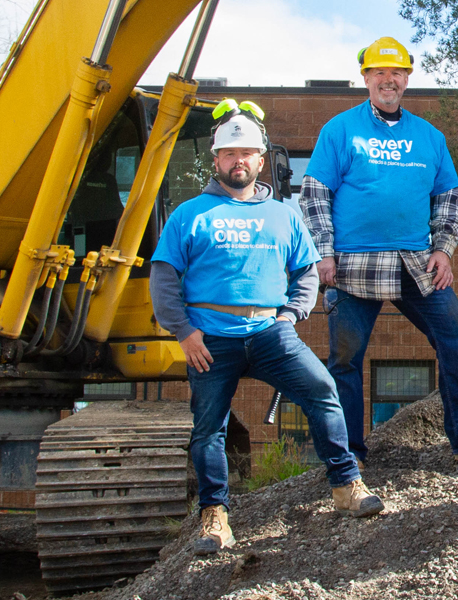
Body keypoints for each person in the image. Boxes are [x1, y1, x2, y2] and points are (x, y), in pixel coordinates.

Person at [150, 101, 385, 556]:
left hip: (269, 332)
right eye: (229, 154)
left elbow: (308, 272)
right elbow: (163, 278)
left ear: (261, 161)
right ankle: (215, 516)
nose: (239, 161)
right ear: (216, 160)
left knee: (322, 392)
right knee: (208, 428)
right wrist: (184, 331)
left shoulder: (284, 214)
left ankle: (346, 484)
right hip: (209, 338)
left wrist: (292, 313)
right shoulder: (189, 215)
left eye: (248, 153)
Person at [299, 37, 458, 464]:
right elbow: (314, 194)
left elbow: (447, 199)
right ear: (365, 77)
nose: (389, 79)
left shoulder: (429, 136)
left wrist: (445, 250)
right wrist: (323, 252)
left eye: (397, 72)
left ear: (406, 79)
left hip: (416, 262)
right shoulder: (340, 129)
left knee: (455, 333)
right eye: (380, 72)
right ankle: (348, 455)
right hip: (353, 265)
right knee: (345, 358)